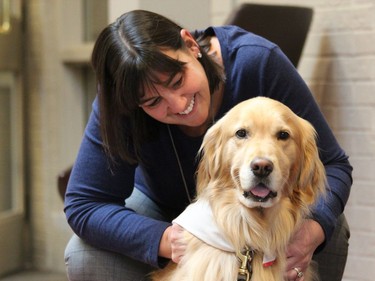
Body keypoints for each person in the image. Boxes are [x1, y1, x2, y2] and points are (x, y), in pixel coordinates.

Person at [64, 9, 352, 281]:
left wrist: (314, 229)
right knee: (82, 255)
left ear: (190, 45)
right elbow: (83, 205)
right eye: (153, 102)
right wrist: (164, 240)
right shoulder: (122, 96)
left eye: (178, 81)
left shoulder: (257, 61)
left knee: (331, 227)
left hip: (249, 203)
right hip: (158, 203)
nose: (178, 105)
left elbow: (335, 164)